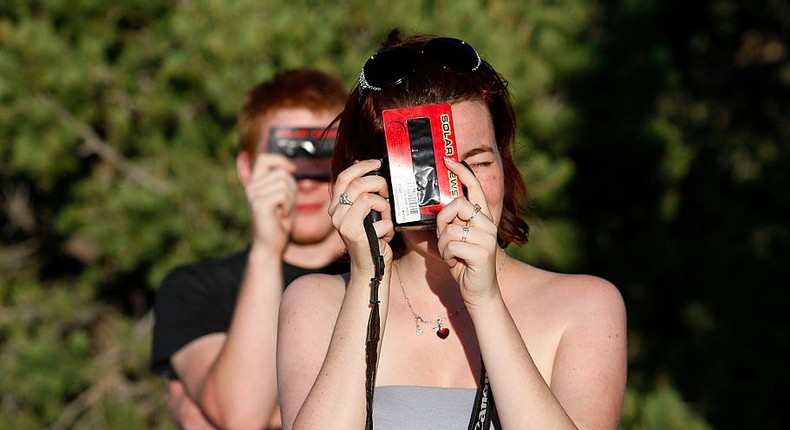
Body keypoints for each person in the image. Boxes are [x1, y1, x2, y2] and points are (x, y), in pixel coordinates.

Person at [277, 31, 627, 429]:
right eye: (428, 172)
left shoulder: (582, 306)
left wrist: (486, 302)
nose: (456, 192)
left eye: (477, 163)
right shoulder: (318, 303)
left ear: (504, 162)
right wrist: (367, 284)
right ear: (370, 177)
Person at [151, 68, 350, 429]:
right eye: (288, 159)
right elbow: (241, 416)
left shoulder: (389, 273)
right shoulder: (195, 287)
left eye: (321, 157)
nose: (305, 182)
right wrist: (266, 250)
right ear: (247, 170)